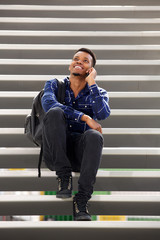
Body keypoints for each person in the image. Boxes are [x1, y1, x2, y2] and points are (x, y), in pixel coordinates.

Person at [41, 48, 111, 221]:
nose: (79, 62)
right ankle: (64, 177)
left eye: (85, 61)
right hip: (56, 151)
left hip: (81, 155)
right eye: (76, 59)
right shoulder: (54, 84)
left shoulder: (98, 92)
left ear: (90, 70)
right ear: (70, 64)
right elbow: (49, 104)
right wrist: (84, 117)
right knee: (55, 112)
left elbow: (102, 114)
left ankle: (82, 199)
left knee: (95, 136)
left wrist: (91, 83)